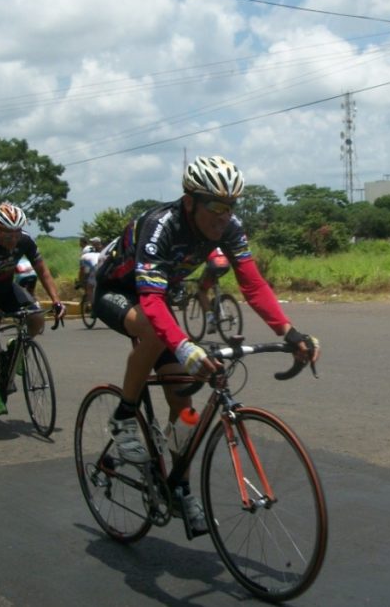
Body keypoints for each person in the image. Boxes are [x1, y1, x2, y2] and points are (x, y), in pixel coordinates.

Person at [93, 155, 320, 534]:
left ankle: (178, 485)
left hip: (156, 298)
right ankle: (123, 417)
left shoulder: (229, 228)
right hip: (117, 291)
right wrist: (185, 347)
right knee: (153, 328)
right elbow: (150, 301)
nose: (224, 216)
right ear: (189, 203)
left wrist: (290, 332)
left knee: (185, 409)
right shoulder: (159, 225)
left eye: (231, 206)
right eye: (215, 206)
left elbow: (252, 283)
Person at [0, 202, 66, 416]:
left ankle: (17, 350)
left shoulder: (25, 241)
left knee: (37, 318)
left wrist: (56, 301)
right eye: (8, 235)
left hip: (7, 290)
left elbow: (43, 271)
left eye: (16, 233)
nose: (13, 239)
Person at [196, 247, 231, 334]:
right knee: (213, 280)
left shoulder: (205, 242)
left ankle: (210, 319)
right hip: (226, 263)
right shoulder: (219, 240)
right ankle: (217, 301)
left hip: (213, 264)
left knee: (201, 290)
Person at [77, 236, 102, 307]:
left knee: (89, 287)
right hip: (104, 269)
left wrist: (80, 281)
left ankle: (93, 307)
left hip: (96, 269)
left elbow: (82, 272)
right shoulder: (98, 254)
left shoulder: (84, 257)